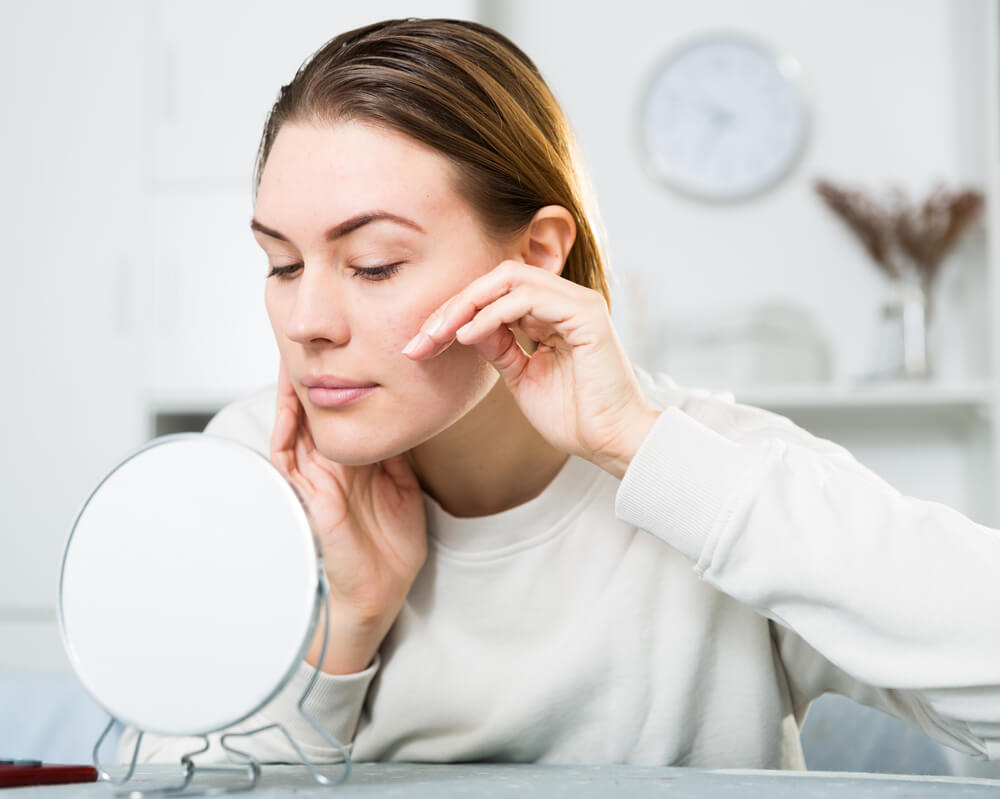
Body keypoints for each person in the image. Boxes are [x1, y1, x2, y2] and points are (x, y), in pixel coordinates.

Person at [119, 17, 1000, 770]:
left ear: (537, 253)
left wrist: (643, 451)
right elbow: (155, 775)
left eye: (373, 263)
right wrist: (342, 631)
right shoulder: (261, 467)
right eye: (282, 263)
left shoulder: (708, 465)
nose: (306, 318)